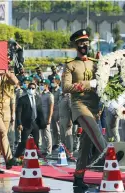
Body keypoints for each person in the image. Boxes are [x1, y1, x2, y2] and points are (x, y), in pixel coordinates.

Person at [62, 29, 123, 189]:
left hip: (95, 108)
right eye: (81, 42)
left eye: (86, 42)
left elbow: (104, 82)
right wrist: (89, 84)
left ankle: (78, 177)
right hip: (80, 106)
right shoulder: (70, 65)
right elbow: (66, 87)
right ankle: (111, 158)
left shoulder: (96, 63)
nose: (84, 45)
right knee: (96, 133)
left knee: (85, 147)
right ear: (76, 45)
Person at [15, 82, 46, 158]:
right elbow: (18, 112)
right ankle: (17, 156)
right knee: (24, 141)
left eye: (33, 88)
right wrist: (19, 123)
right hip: (26, 123)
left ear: (35, 89)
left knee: (36, 141)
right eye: (30, 88)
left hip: (35, 123)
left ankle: (36, 156)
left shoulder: (38, 98)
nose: (31, 90)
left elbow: (40, 111)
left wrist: (42, 123)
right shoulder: (22, 99)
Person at [38, 79, 53, 156]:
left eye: (42, 84)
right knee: (42, 134)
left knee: (47, 134)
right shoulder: (41, 94)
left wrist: (49, 118)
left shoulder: (50, 95)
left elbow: (51, 108)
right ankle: (43, 149)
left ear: (46, 85)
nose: (41, 86)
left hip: (46, 117)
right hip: (41, 117)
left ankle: (48, 150)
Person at [50, 75, 62, 149]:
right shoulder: (52, 91)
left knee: (58, 129)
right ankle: (55, 143)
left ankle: (60, 143)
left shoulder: (59, 91)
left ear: (58, 82)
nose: (53, 82)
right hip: (52, 111)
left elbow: (60, 102)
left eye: (54, 81)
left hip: (58, 111)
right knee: (53, 129)